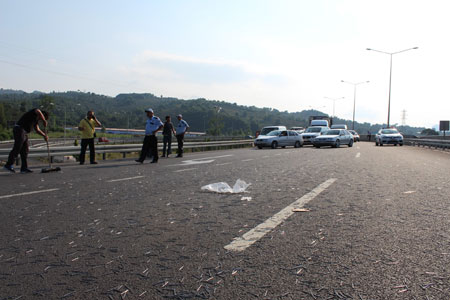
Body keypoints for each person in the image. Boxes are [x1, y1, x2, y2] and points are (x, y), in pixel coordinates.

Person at [4, 108, 49, 173]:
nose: (40, 120)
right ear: (43, 115)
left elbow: (37, 130)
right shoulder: (34, 112)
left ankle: (24, 168)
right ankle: (8, 164)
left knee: (25, 150)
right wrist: (44, 120)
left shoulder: (36, 120)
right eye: (41, 119)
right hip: (19, 129)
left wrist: (44, 135)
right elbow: (38, 110)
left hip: (24, 132)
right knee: (18, 147)